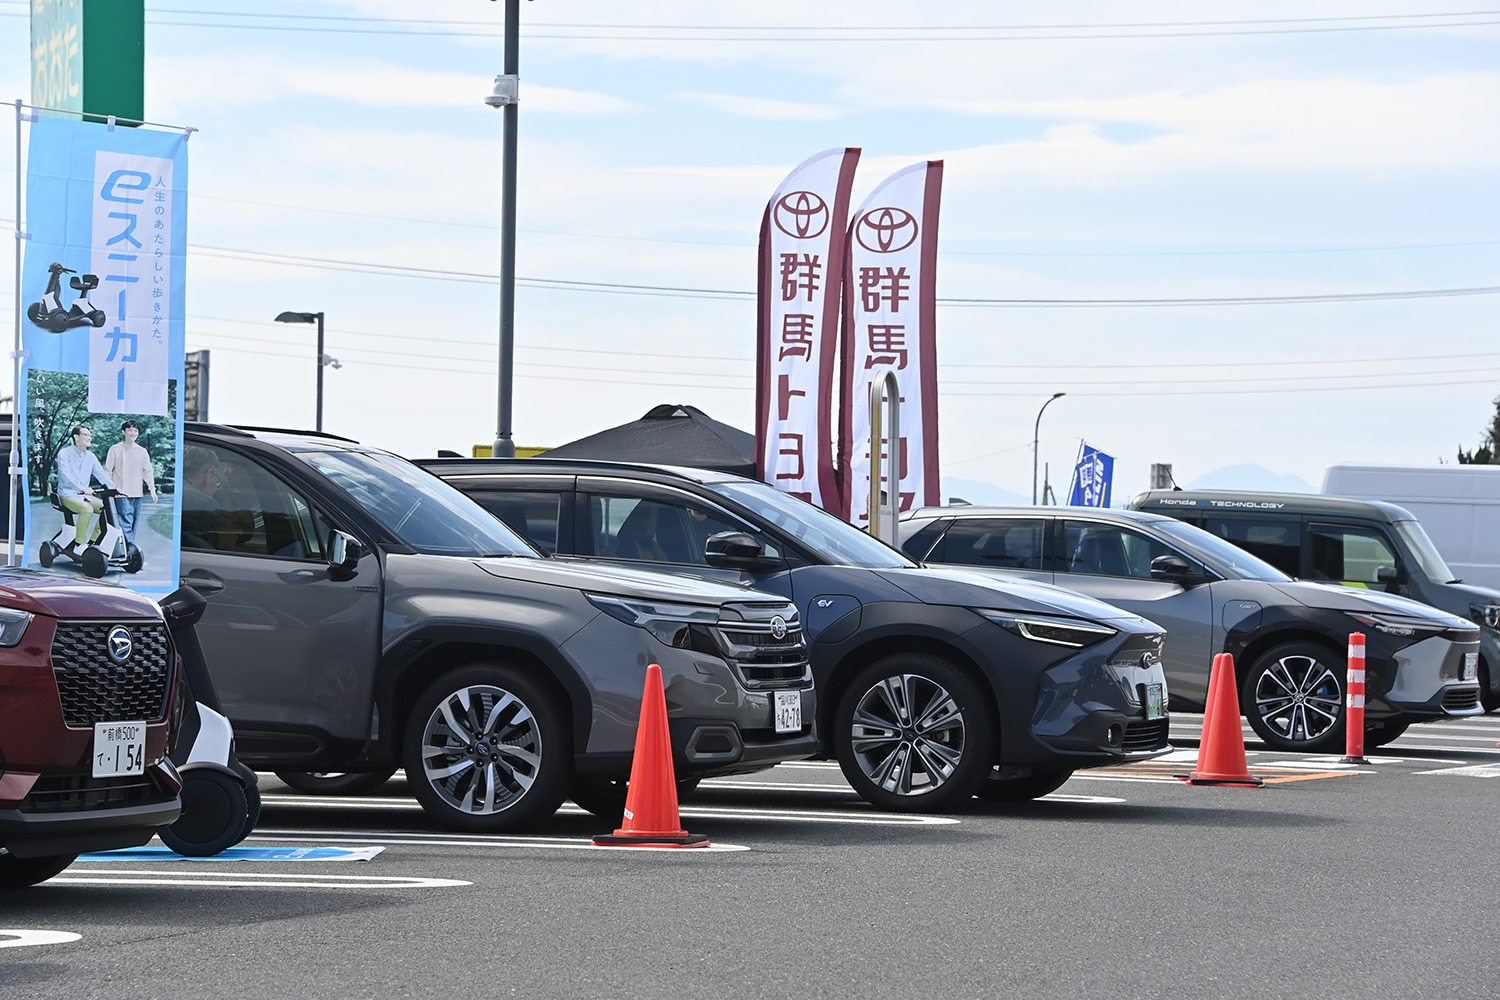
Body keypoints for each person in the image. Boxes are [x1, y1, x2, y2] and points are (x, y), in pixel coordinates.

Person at [55, 425, 117, 554]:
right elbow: (65, 475)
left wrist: (114, 489)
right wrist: (81, 487)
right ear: (76, 437)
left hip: (85, 496)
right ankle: (79, 544)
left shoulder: (91, 456)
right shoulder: (64, 453)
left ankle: (92, 542)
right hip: (68, 494)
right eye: (86, 435)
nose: (89, 438)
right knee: (86, 509)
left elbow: (101, 475)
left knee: (107, 508)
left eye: (90, 435)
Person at [103, 420, 158, 544]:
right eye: (130, 430)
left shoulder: (142, 451)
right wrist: (110, 488)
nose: (133, 433)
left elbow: (148, 471)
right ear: (124, 432)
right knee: (125, 523)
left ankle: (125, 550)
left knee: (133, 524)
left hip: (137, 494)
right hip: (121, 493)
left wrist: (152, 490)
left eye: (135, 431)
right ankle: (131, 551)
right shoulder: (115, 449)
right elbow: (108, 471)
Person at [180, 445, 223, 549]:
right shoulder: (205, 504)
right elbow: (207, 554)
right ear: (210, 473)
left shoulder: (169, 491)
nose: (216, 484)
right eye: (215, 476)